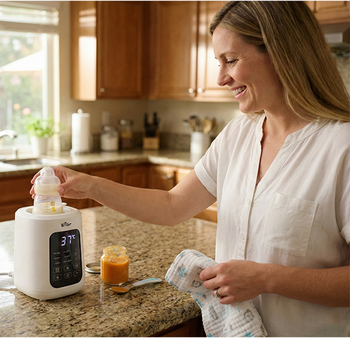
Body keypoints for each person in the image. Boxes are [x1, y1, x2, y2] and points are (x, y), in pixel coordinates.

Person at [31, 2, 350, 336]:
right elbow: (172, 206)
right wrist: (91, 186)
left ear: (283, 53)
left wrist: (267, 278)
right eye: (218, 62)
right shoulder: (237, 135)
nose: (220, 78)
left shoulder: (341, 147)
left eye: (232, 60)